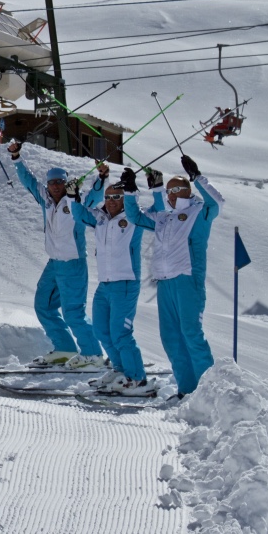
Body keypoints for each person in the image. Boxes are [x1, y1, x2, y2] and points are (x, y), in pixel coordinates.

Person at [122, 155, 223, 398]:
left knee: (191, 333)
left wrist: (197, 177)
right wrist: (129, 191)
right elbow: (135, 217)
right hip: (165, 282)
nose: (168, 195)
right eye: (167, 191)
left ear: (181, 191)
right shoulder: (163, 217)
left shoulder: (199, 211)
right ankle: (187, 391)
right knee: (171, 337)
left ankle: (209, 393)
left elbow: (216, 202)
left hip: (187, 280)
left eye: (171, 191)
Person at [7, 141, 103, 368]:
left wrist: (101, 177)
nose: (55, 186)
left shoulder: (77, 201)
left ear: (67, 182)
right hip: (54, 263)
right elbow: (29, 181)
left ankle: (93, 355)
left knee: (73, 312)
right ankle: (65, 349)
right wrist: (16, 157)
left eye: (60, 182)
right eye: (51, 183)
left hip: (72, 264)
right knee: (43, 305)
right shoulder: (46, 200)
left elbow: (95, 197)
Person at [71, 164, 155, 395]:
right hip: (105, 284)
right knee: (101, 331)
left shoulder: (132, 218)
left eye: (116, 196)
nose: (111, 201)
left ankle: (138, 378)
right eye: (108, 197)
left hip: (126, 283)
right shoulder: (100, 218)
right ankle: (121, 370)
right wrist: (73, 196)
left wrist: (131, 190)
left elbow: (147, 209)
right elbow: (79, 215)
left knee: (120, 333)